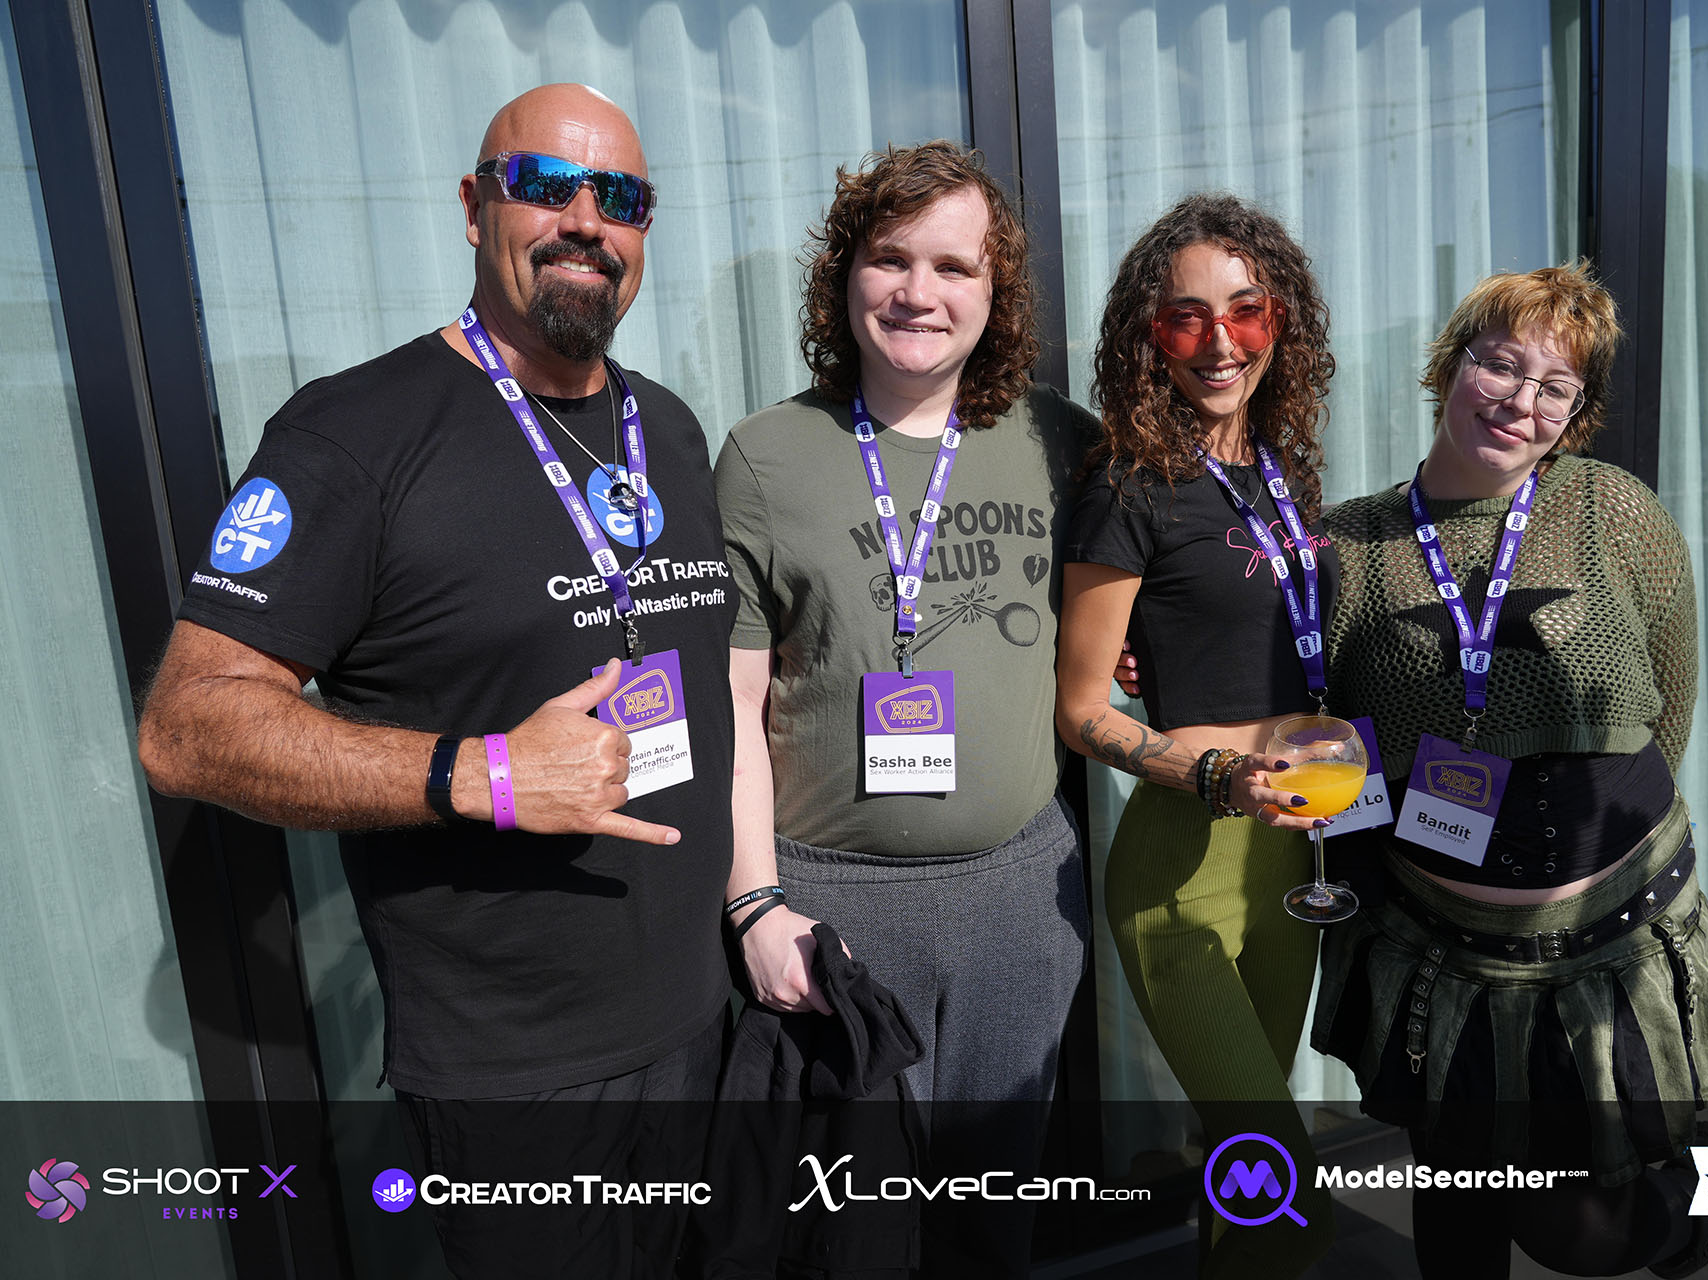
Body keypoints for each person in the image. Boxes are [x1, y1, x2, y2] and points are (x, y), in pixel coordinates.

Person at [137, 84, 737, 1278]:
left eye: (620, 198)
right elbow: (187, 725)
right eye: (544, 185)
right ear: (474, 206)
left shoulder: (664, 428)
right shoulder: (353, 435)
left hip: (700, 1024)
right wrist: (486, 770)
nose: (585, 220)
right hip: (518, 1077)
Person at [1310, 262, 1708, 1278]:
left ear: (1577, 414)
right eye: (1501, 365)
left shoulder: (1614, 509)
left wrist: (1594, 842)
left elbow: (1672, 696)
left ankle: (1697, 1203)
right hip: (1442, 939)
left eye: (1557, 387)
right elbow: (1338, 742)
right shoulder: (1350, 544)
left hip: (1616, 933)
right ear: (1450, 365)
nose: (1521, 400)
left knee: (1580, 1231)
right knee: (1461, 1204)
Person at [715, 140, 1093, 1277]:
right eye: (890, 258)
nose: (918, 292)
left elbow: (1122, 617)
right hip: (833, 909)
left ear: (994, 292)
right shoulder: (766, 458)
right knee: (846, 1238)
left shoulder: (1060, 442)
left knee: (990, 1228)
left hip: (1020, 906)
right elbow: (731, 705)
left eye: (953, 266)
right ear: (845, 276)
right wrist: (753, 904)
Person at [1053, 192, 1340, 1275]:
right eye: (1186, 318)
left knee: (1245, 1168)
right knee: (1283, 1174)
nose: (1221, 343)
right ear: (1151, 338)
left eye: (1246, 311)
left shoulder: (1284, 470)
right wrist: (1215, 770)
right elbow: (1082, 708)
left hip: (1294, 856)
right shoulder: (1128, 485)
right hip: (1184, 866)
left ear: (1280, 322)